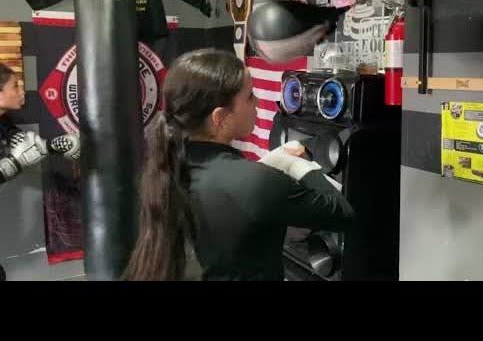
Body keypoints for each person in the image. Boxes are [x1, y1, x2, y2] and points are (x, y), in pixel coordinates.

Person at [123, 48, 354, 281]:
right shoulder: (256, 181)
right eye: (249, 96)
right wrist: (299, 163)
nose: (258, 101)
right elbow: (342, 214)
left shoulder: (163, 171)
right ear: (219, 118)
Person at [0, 63, 80, 281]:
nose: (21, 91)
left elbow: (29, 149)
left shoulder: (4, 124)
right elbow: (17, 159)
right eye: (14, 86)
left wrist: (56, 145)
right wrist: (15, 163)